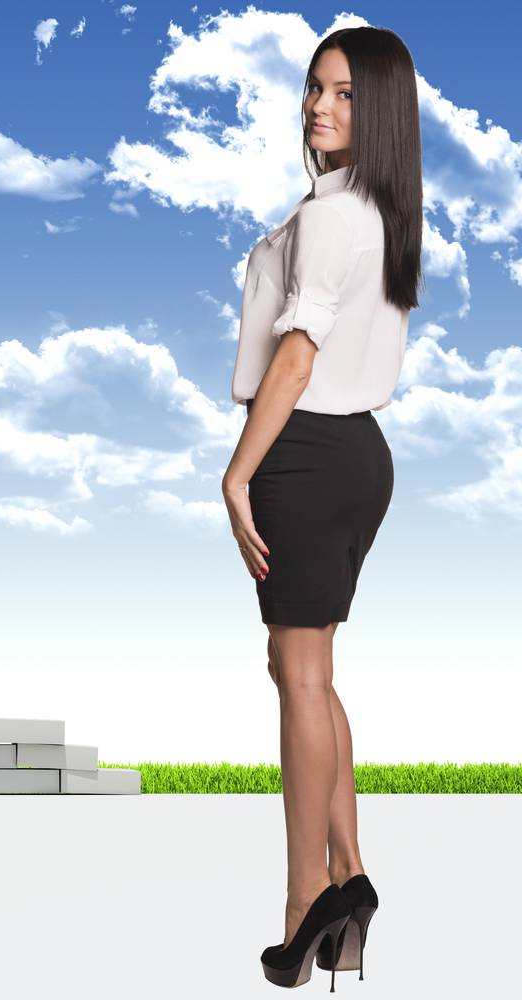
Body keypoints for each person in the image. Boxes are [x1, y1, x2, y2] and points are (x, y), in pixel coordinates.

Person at [222, 25, 422, 991]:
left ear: (378, 108)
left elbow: (295, 357)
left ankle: (306, 904)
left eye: (343, 94)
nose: (319, 107)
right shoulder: (366, 210)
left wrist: (237, 471)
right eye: (313, 90)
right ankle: (349, 875)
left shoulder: (335, 220)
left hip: (306, 448)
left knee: (299, 675)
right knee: (302, 666)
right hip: (355, 454)